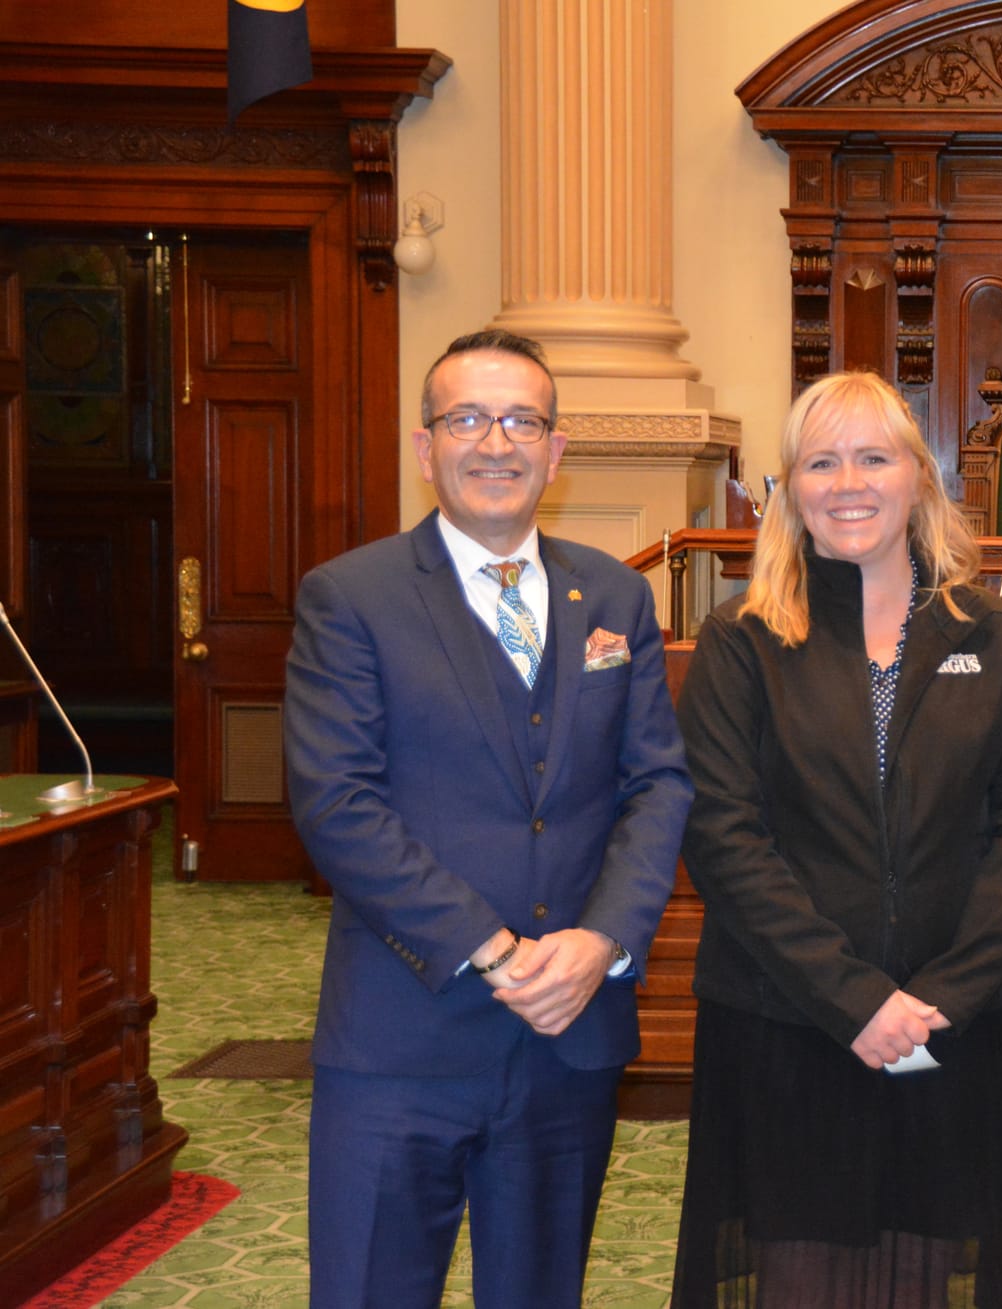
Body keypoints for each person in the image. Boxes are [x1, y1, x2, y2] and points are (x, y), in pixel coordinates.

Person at [283, 328, 691, 1307]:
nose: (494, 442)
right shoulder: (352, 597)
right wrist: (496, 951)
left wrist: (600, 941)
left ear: (555, 451)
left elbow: (658, 785)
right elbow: (337, 800)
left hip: (569, 1038)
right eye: (466, 417)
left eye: (521, 420)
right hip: (399, 1041)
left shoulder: (618, 596)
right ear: (426, 447)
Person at [669, 371, 1002, 1308]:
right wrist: (855, 1001)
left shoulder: (994, 636)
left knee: (924, 1268)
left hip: (943, 1029)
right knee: (801, 1275)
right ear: (790, 490)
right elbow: (725, 838)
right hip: (788, 1021)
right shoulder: (740, 642)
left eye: (873, 457)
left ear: (919, 479)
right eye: (821, 461)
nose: (848, 482)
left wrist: (938, 996)